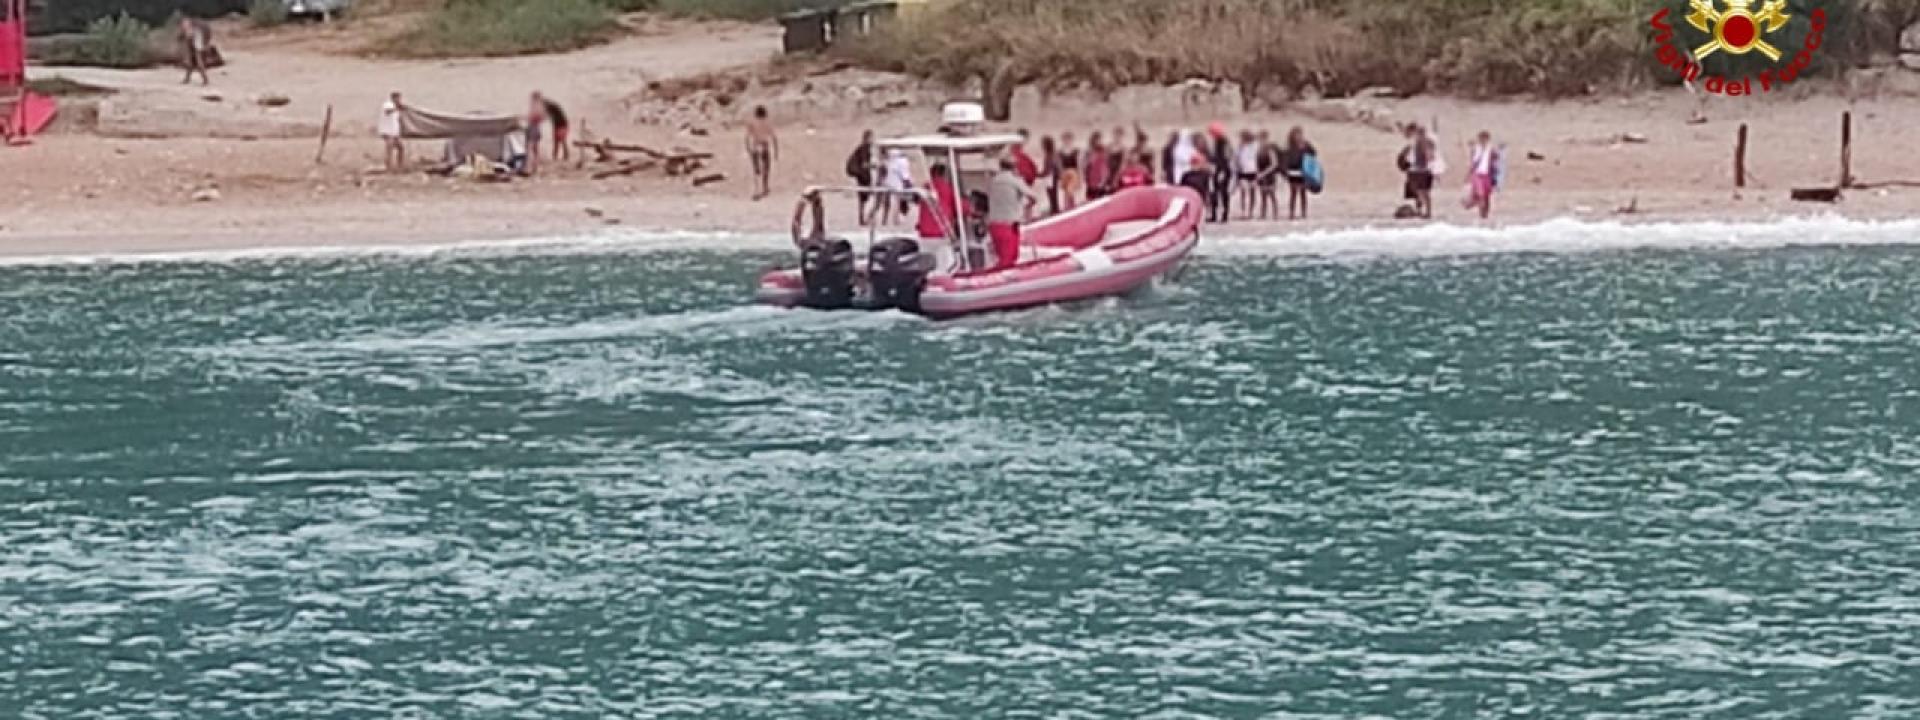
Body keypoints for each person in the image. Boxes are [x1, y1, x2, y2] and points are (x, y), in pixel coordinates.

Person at [986, 157, 1041, 270]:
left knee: (1001, 257)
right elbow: (1033, 197)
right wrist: (1028, 206)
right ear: (1014, 167)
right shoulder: (1015, 181)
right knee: (1009, 259)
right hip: (1009, 225)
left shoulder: (993, 181)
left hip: (994, 224)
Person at [1399, 123, 1435, 219]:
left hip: (1420, 169)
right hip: (1417, 169)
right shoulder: (1417, 141)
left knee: (1421, 191)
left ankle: (1426, 211)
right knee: (1420, 191)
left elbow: (1428, 154)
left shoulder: (1422, 141)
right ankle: (1424, 211)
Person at [917, 162, 960, 240]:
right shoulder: (947, 188)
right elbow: (959, 207)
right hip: (941, 232)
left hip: (924, 232)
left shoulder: (925, 187)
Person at [1282, 126, 1317, 220]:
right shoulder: (1289, 146)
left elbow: (1313, 153)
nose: (1298, 136)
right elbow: (1285, 158)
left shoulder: (1306, 145)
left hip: (1303, 171)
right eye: (1297, 134)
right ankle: (1292, 213)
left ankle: (1303, 213)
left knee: (1303, 193)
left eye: (1300, 134)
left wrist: (1306, 146)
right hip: (1293, 171)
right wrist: (1285, 171)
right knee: (1293, 193)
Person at [1464, 130, 1500, 219]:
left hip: (1487, 175)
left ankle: (1484, 214)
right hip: (1477, 175)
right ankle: (1480, 213)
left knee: (1487, 196)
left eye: (1484, 139)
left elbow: (1496, 160)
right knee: (1481, 195)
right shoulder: (1476, 149)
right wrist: (1469, 174)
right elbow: (1473, 162)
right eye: (1481, 139)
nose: (1483, 140)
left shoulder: (1491, 149)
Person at [745, 106, 778, 200]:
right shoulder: (768, 123)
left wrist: (747, 148)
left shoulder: (751, 123)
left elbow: (747, 137)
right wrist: (776, 151)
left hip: (755, 146)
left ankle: (757, 189)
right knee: (766, 168)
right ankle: (765, 187)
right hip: (764, 146)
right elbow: (774, 137)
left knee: (756, 170)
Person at [845, 130, 875, 224]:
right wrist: (874, 165)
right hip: (863, 176)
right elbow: (864, 164)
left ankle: (864, 218)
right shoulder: (864, 149)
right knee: (865, 198)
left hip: (862, 175)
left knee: (864, 198)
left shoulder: (862, 148)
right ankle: (864, 218)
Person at [1207, 124, 1234, 223]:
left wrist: (1222, 171)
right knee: (1214, 192)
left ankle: (1224, 215)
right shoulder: (1218, 142)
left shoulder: (1223, 142)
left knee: (1222, 193)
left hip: (1223, 169)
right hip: (1218, 169)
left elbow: (1225, 157)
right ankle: (1215, 214)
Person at [881, 147, 913, 224]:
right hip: (898, 185)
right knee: (898, 202)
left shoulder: (889, 161)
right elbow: (905, 175)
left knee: (892, 203)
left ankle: (887, 220)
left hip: (888, 184)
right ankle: (896, 220)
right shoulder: (902, 161)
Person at [1254, 130, 1280, 220]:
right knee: (1263, 196)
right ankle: (1263, 214)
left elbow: (1274, 164)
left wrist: (1264, 173)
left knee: (1272, 195)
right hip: (1261, 175)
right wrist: (1258, 173)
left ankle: (1275, 214)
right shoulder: (1258, 150)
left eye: (1261, 138)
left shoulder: (1270, 149)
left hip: (1269, 175)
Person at [178, 17, 211, 86]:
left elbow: (188, 34)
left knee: (197, 60)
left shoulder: (186, 24)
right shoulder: (190, 23)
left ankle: (205, 79)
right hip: (196, 38)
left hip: (196, 37)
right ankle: (188, 79)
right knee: (191, 60)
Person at [379, 92, 405, 173]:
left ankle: (399, 166)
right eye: (398, 98)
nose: (399, 100)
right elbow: (387, 111)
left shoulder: (396, 108)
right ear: (394, 98)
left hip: (394, 132)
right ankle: (388, 167)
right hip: (387, 132)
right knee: (389, 150)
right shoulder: (388, 104)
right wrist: (397, 108)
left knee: (401, 148)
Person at [1057, 131, 1082, 211]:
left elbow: (1078, 165)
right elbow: (1060, 166)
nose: (1067, 141)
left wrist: (1080, 178)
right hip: (1064, 173)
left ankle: (1073, 208)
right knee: (1066, 192)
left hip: (1073, 173)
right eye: (1065, 139)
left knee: (1070, 191)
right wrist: (1060, 177)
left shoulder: (1076, 151)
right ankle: (1067, 208)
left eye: (1069, 139)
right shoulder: (1060, 152)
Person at [541, 94, 570, 162]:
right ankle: (556, 157)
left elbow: (546, 116)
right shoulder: (551, 106)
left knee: (561, 141)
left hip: (561, 125)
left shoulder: (550, 107)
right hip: (558, 125)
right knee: (558, 141)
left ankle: (564, 156)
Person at [523, 93, 547, 176]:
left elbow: (533, 117)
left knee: (529, 147)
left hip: (533, 127)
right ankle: (535, 167)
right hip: (536, 128)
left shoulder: (536, 106)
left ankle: (529, 168)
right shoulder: (540, 106)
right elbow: (543, 117)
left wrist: (525, 118)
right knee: (535, 149)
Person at [1083, 132, 1110, 201]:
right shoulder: (1089, 152)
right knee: (1091, 198)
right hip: (1092, 179)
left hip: (1100, 179)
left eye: (1100, 140)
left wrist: (1103, 181)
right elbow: (1086, 166)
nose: (1100, 142)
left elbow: (1105, 168)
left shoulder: (1104, 151)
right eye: (1098, 140)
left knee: (1101, 198)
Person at [1040, 135, 1061, 215]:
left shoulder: (1049, 156)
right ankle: (1055, 210)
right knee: (1054, 196)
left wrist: (1038, 175)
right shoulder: (1054, 154)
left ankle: (1054, 211)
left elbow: (1047, 170)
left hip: (1050, 178)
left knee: (1052, 197)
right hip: (1053, 177)